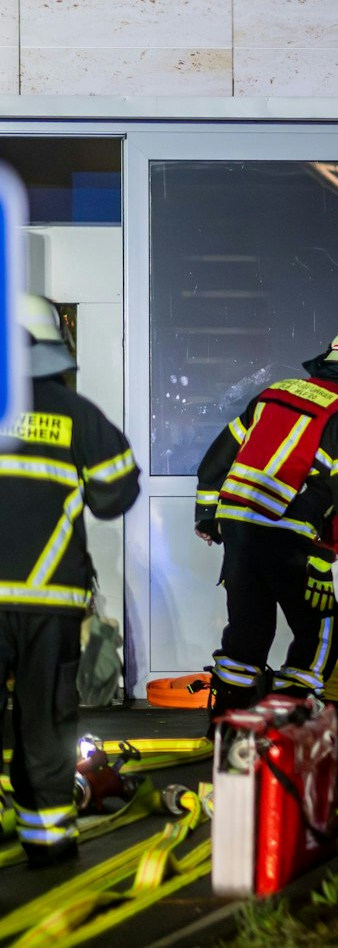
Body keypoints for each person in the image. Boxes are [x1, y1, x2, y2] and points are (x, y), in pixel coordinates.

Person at [0, 295, 140, 867]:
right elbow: (116, 494)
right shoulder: (74, 413)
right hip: (50, 600)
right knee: (47, 718)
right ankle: (49, 840)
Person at [196, 331, 338, 712]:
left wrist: (206, 515)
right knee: (319, 626)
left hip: (239, 529)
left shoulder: (276, 392)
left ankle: (228, 722)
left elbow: (216, 459)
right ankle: (291, 715)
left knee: (248, 629)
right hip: (288, 534)